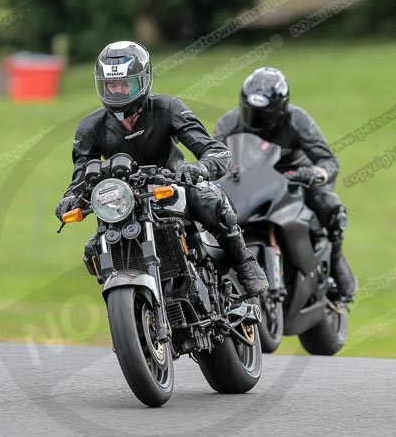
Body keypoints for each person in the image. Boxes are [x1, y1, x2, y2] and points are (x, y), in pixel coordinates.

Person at [55, 41, 268, 298]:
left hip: (174, 184)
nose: (118, 91)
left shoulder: (168, 108)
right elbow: (81, 176)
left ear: (143, 80)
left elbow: (216, 151)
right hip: (125, 199)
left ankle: (245, 263)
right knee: (94, 250)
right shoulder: (90, 127)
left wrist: (199, 168)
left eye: (125, 84)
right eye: (111, 85)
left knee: (210, 201)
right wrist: (71, 198)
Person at [214, 66, 358, 302]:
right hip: (250, 183)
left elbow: (328, 160)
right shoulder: (228, 124)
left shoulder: (298, 120)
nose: (257, 120)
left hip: (295, 178)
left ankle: (335, 259)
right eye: (252, 112)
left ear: (280, 111)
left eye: (264, 115)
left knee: (329, 206)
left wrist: (315, 173)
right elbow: (216, 160)